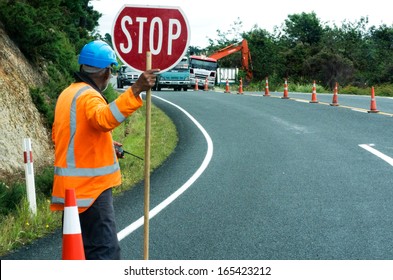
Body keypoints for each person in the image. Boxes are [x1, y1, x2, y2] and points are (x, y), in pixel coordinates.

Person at [50, 40, 159, 260]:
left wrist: (104, 144)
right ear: (106, 71)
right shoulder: (89, 96)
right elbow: (103, 119)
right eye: (110, 72)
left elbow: (66, 135)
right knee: (104, 253)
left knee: (78, 254)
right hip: (90, 192)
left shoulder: (68, 94)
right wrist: (136, 89)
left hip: (71, 193)